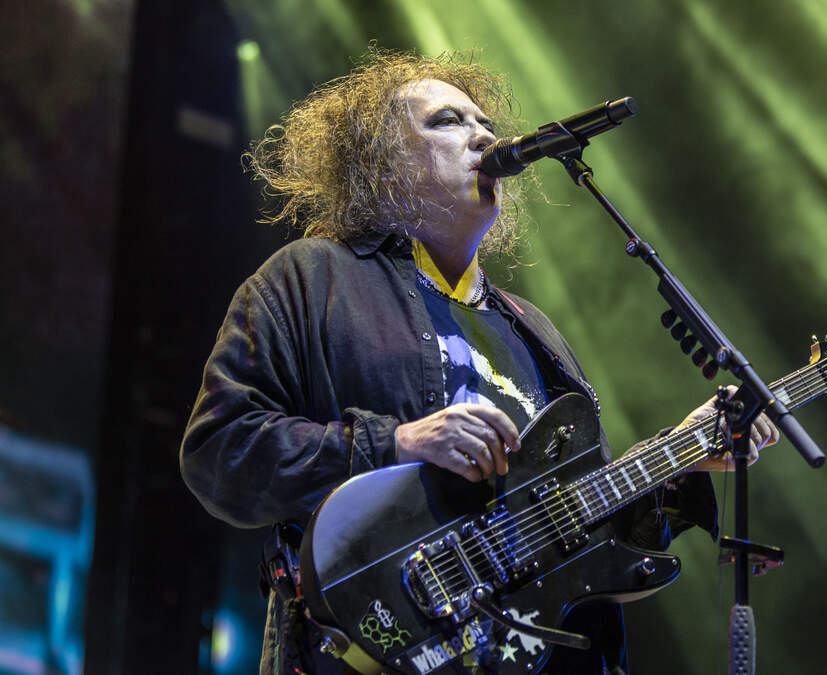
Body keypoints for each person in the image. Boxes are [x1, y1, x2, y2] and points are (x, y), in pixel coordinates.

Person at [180, 49, 778, 674]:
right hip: (372, 645)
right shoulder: (314, 278)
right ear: (382, 161)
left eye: (486, 122)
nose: (486, 137)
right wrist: (398, 443)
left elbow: (578, 530)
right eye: (448, 121)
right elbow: (220, 452)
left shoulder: (533, 331)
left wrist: (680, 457)